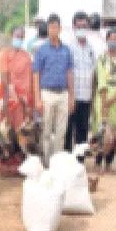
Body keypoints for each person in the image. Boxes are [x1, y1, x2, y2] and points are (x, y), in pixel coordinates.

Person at [33, 14, 74, 166]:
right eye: (50, 27)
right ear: (47, 29)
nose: (53, 30)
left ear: (60, 28)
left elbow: (69, 73)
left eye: (56, 27)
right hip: (47, 94)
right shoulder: (41, 50)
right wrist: (37, 98)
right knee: (45, 131)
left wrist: (71, 97)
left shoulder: (66, 50)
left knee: (61, 132)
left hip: (63, 94)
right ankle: (46, 164)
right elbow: (36, 75)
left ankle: (57, 165)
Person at [92, 29, 116, 173]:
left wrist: (114, 97)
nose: (113, 42)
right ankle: (97, 162)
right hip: (102, 97)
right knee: (101, 131)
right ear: (106, 41)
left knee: (115, 134)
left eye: (115, 39)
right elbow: (100, 78)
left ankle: (109, 164)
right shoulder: (101, 58)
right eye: (110, 39)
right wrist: (104, 101)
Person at [0, 26, 33, 175]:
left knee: (20, 132)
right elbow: (4, 77)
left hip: (22, 101)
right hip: (8, 98)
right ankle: (6, 162)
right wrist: (5, 100)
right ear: (12, 36)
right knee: (5, 131)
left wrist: (28, 102)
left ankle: (19, 163)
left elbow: (29, 80)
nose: (19, 39)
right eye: (17, 36)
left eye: (21, 36)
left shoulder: (26, 56)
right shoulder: (5, 54)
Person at [65, 11, 96, 156]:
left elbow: (93, 74)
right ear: (74, 28)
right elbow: (67, 72)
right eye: (79, 26)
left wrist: (93, 98)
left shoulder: (91, 49)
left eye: (84, 26)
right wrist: (70, 96)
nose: (81, 29)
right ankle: (66, 162)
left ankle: (79, 163)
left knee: (83, 131)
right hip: (72, 97)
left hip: (86, 97)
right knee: (68, 130)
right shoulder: (69, 48)